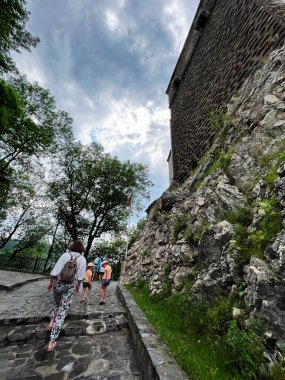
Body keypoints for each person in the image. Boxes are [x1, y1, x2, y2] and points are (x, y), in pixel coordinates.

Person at [46, 240, 86, 352]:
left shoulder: (65, 255)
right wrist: (77, 286)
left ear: (72, 247)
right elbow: (80, 277)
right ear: (82, 249)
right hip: (70, 286)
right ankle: (52, 341)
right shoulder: (82, 259)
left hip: (58, 283)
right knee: (62, 311)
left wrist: (50, 283)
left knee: (57, 303)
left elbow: (55, 271)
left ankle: (51, 322)